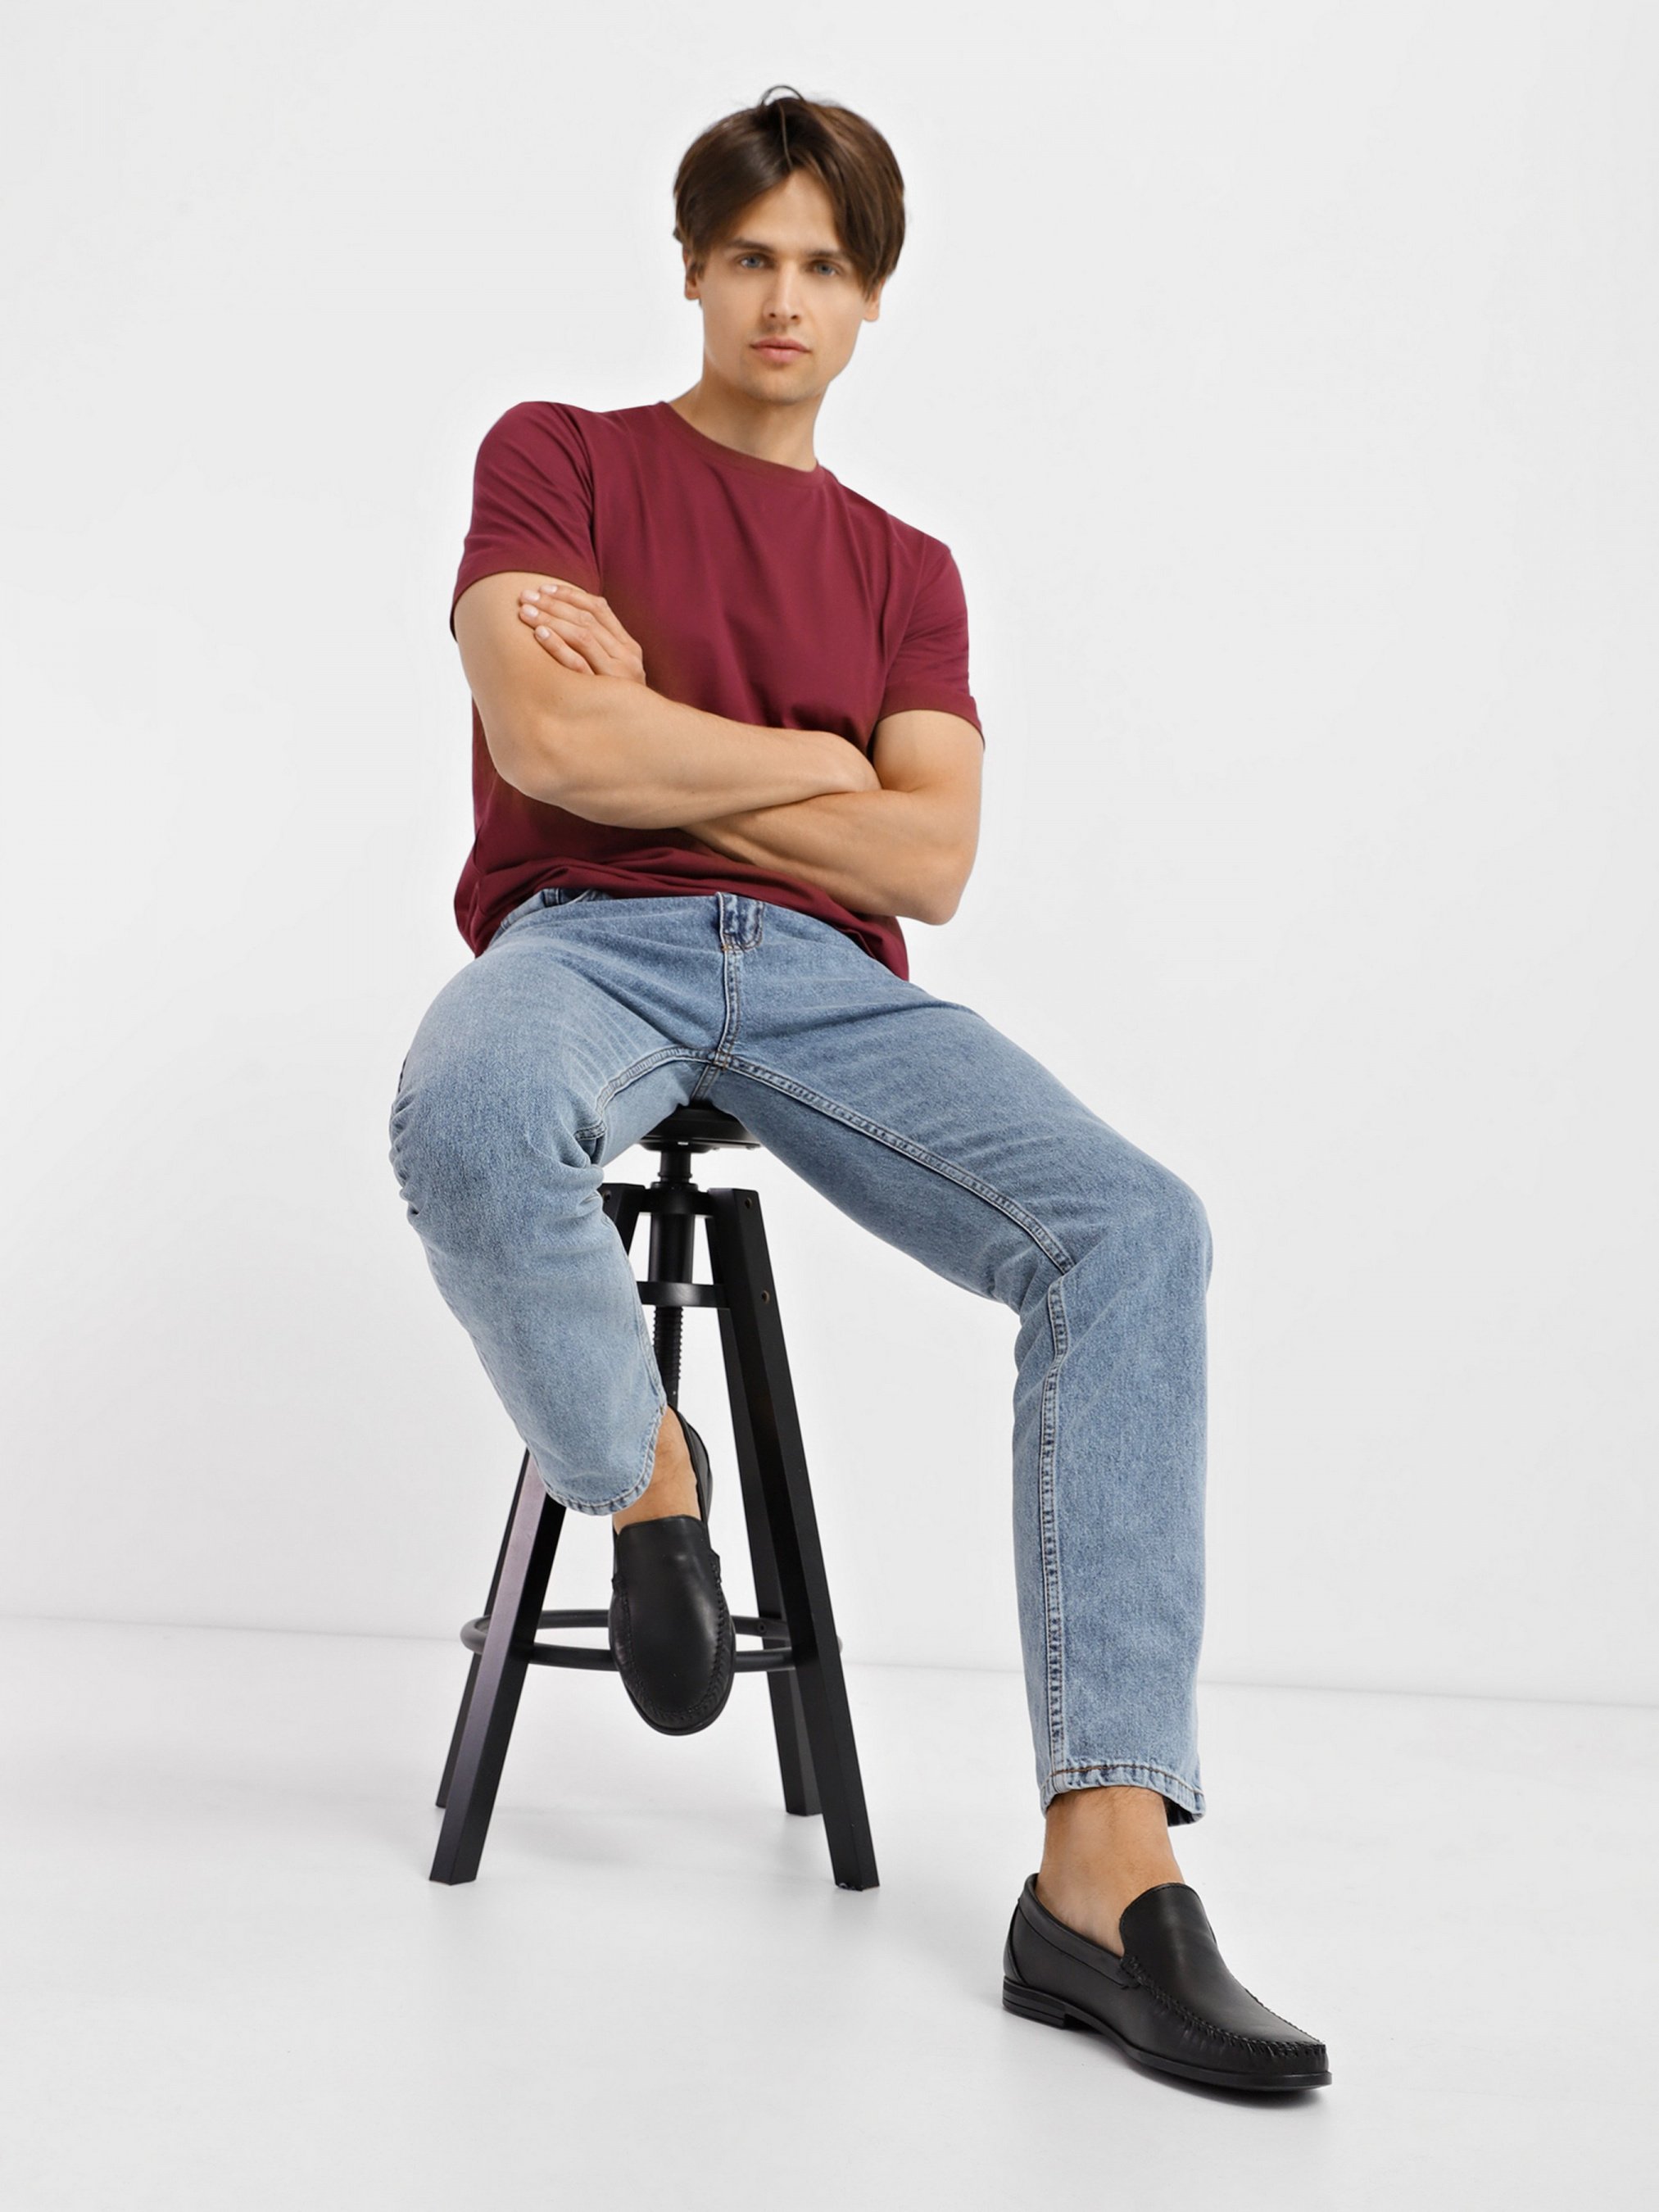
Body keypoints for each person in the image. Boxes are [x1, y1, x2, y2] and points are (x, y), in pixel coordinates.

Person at [387, 85, 1330, 2094]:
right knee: (464, 1109)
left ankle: (1103, 1871)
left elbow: (930, 861)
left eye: (822, 265)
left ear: (871, 295)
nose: (782, 300)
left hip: (825, 983)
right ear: (692, 269)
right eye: (749, 257)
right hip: (585, 937)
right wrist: (823, 766)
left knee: (1132, 1229)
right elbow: (552, 749)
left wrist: (673, 736)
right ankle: (649, 1476)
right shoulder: (555, 457)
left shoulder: (907, 569)